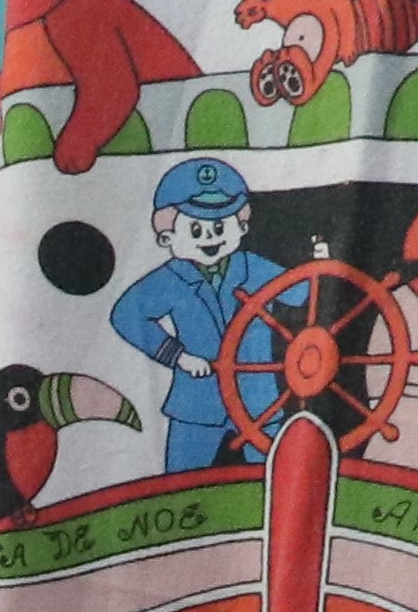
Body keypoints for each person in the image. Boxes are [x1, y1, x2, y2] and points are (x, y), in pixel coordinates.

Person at [110, 158, 286, 473]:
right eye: (196, 228)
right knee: (179, 488)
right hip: (197, 405)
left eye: (221, 226)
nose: (210, 237)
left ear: (242, 227)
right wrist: (179, 356)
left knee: (275, 487)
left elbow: (307, 289)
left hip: (257, 401)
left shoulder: (255, 269)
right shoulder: (169, 279)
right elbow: (125, 315)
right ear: (166, 236)